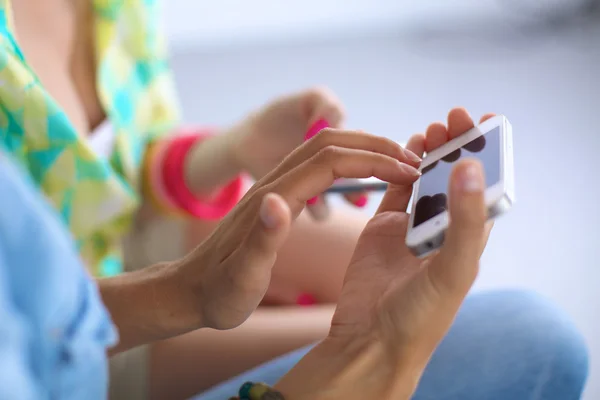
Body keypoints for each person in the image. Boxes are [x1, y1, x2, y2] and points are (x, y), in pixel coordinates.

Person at [0, 1, 589, 399]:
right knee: (516, 332)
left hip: (126, 247)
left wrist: (237, 147)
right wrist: (375, 359)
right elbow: (33, 345)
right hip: (68, 342)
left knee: (412, 276)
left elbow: (116, 167)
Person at [0, 132, 589, 399]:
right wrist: (369, 366)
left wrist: (185, 291)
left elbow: (121, 166)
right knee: (536, 337)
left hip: (90, 303)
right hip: (82, 366)